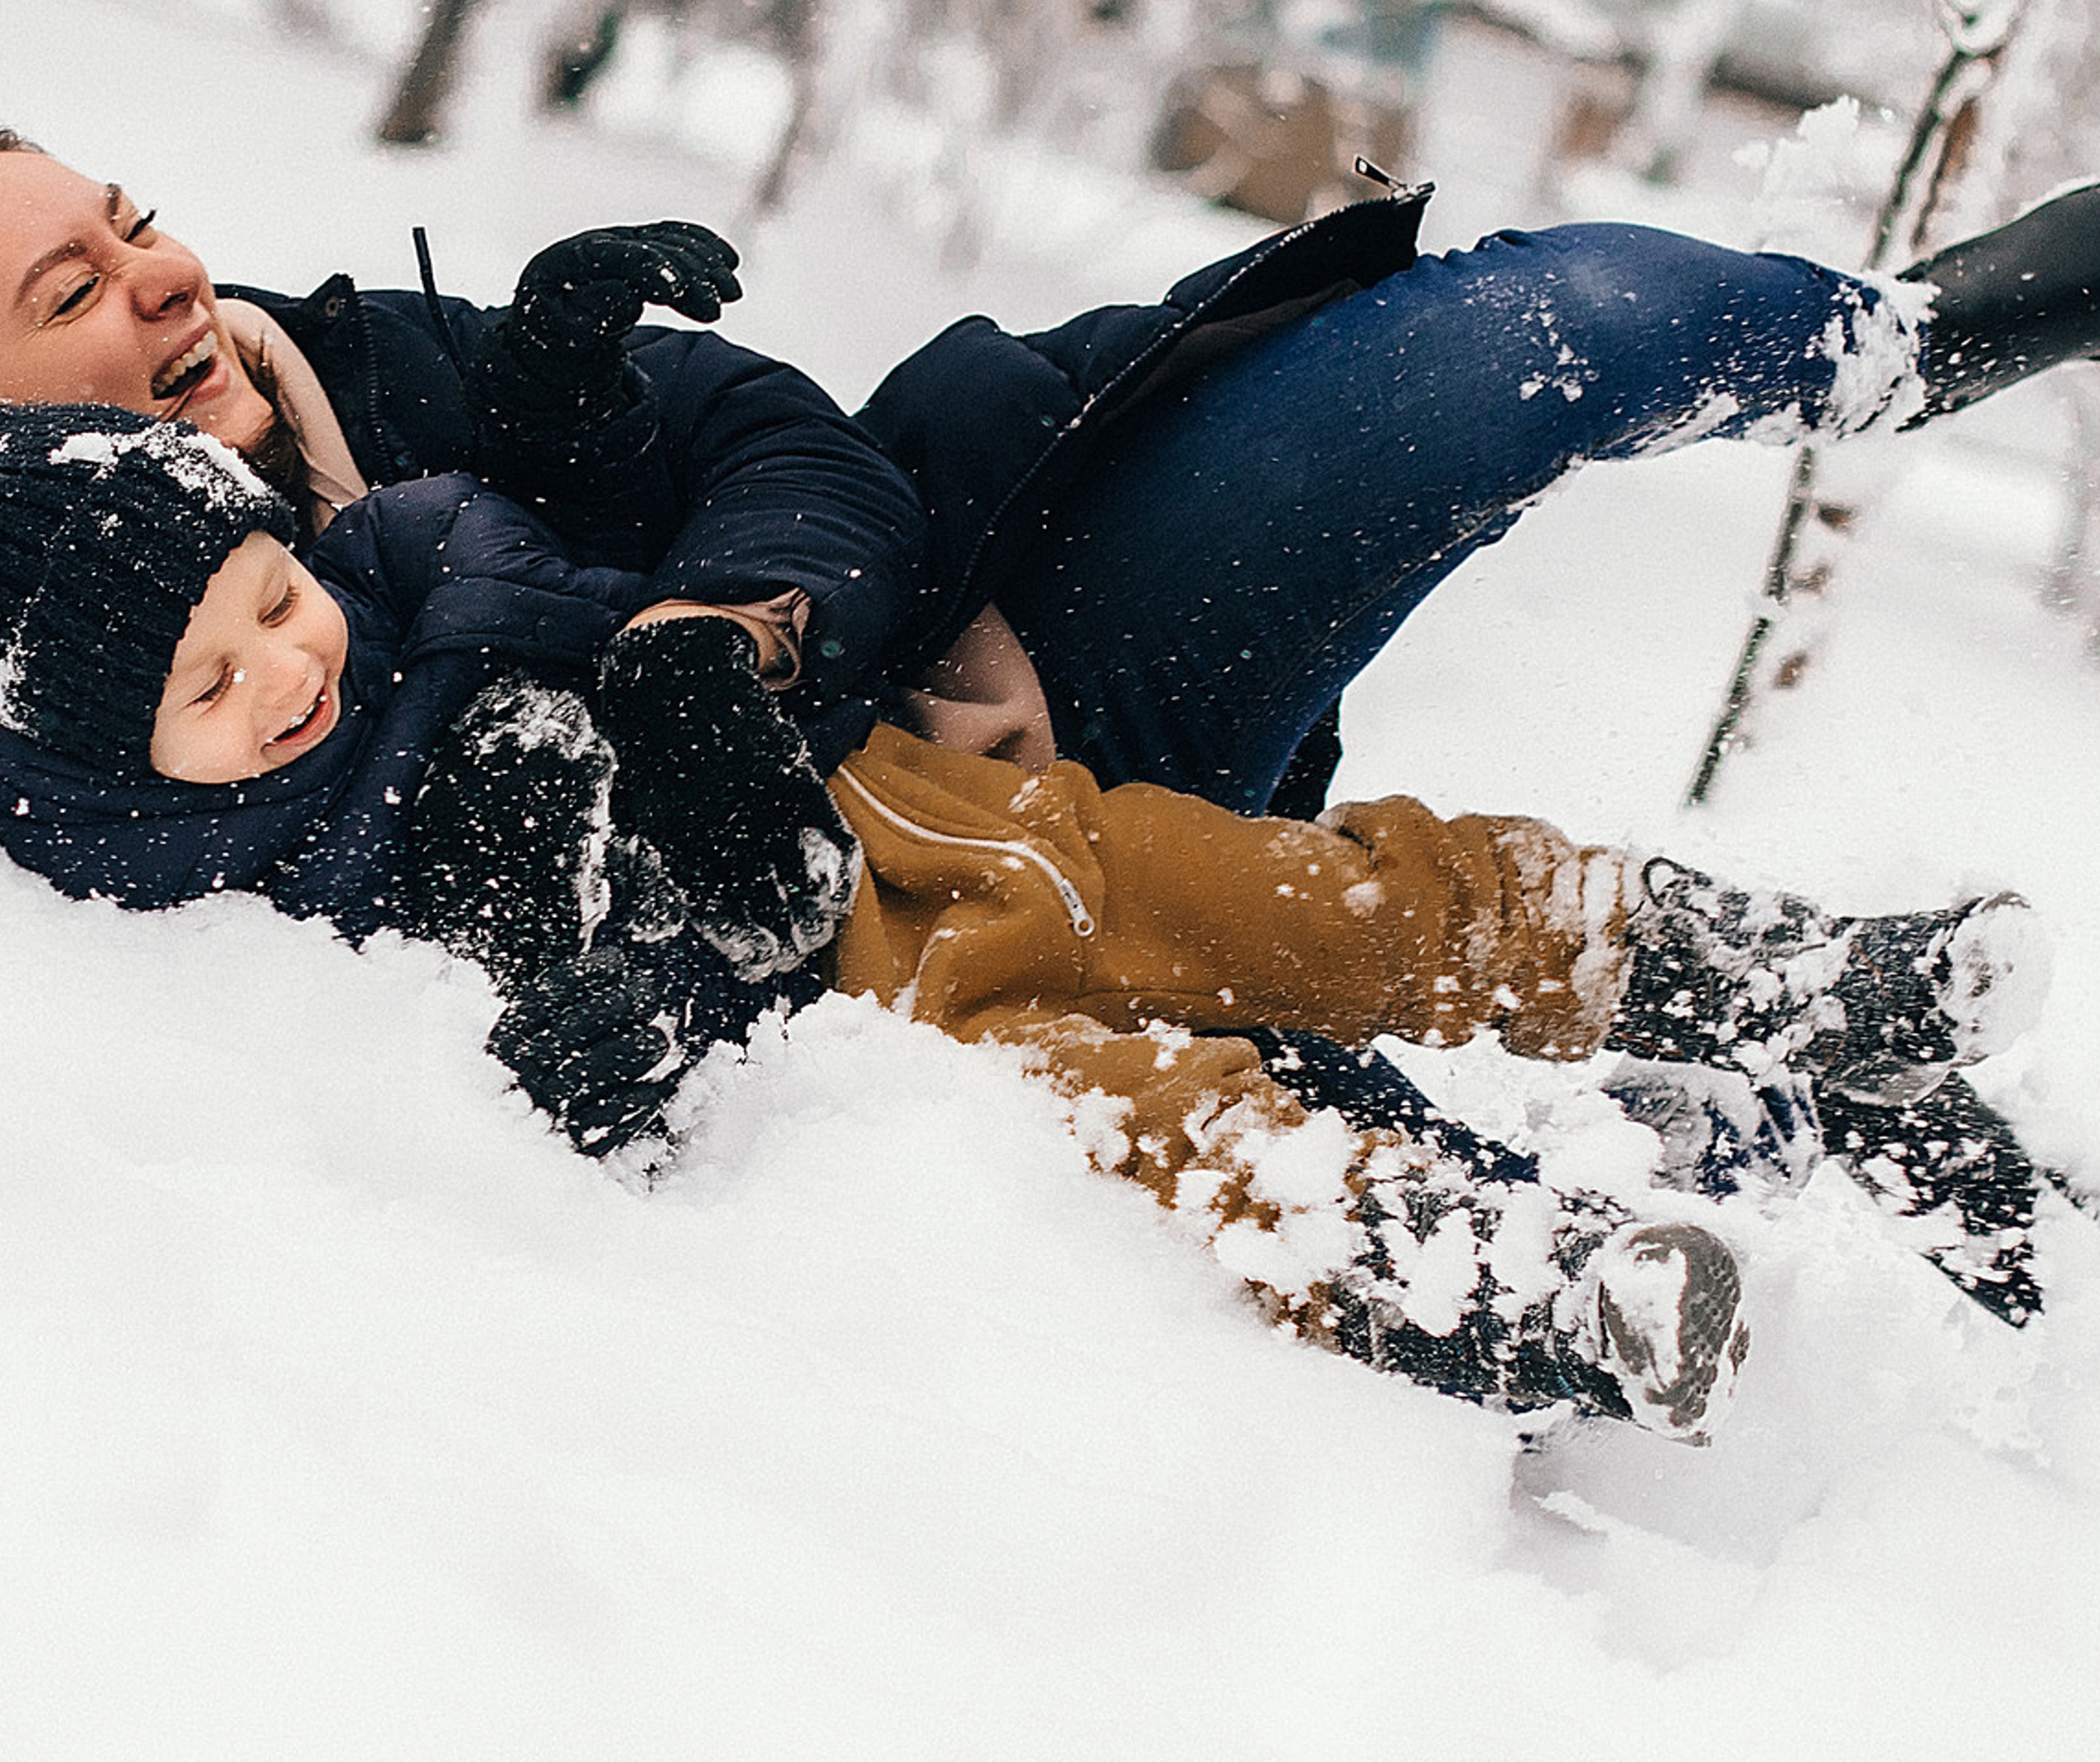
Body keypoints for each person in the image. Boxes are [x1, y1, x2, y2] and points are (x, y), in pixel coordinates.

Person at [0, 402, 2052, 1449]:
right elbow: (427, 1113)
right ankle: (1528, 1289)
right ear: (104, 772)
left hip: (914, 816)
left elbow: (571, 550)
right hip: (844, 1043)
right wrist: (604, 1030)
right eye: (209, 687)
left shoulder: (413, 567)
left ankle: (1740, 965)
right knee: (1157, 1131)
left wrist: (679, 661)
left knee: (1310, 902)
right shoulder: (234, 915)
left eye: (268, 599)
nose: (285, 667)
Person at [3, 127, 2100, 819]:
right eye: (76, 290)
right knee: (1364, 1074)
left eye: (133, 214)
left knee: (1518, 329)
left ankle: (1888, 343)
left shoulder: (331, 350)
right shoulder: (77, 715)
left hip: (1019, 631)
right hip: (935, 931)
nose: (168, 274)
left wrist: (642, 499)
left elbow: (785, 442)